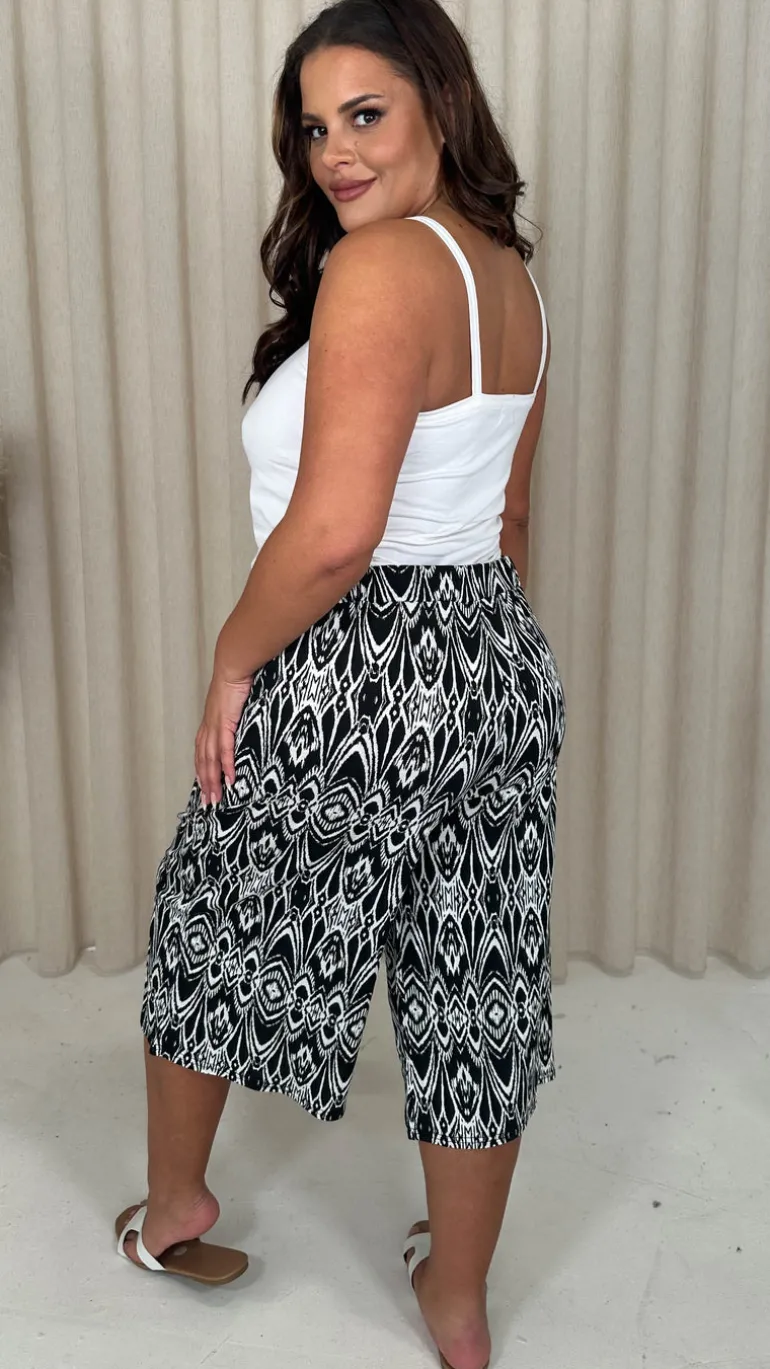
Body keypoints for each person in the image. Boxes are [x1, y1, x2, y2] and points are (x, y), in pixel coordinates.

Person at [114, 2, 567, 1367]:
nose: (333, 154)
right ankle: (459, 1301)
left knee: (212, 924)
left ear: (441, 102)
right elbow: (506, 522)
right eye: (314, 128)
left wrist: (232, 659)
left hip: (351, 656)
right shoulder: (507, 278)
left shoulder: (380, 267)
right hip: (494, 655)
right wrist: (470, 682)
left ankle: (177, 1205)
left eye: (364, 115)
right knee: (472, 976)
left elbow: (331, 538)